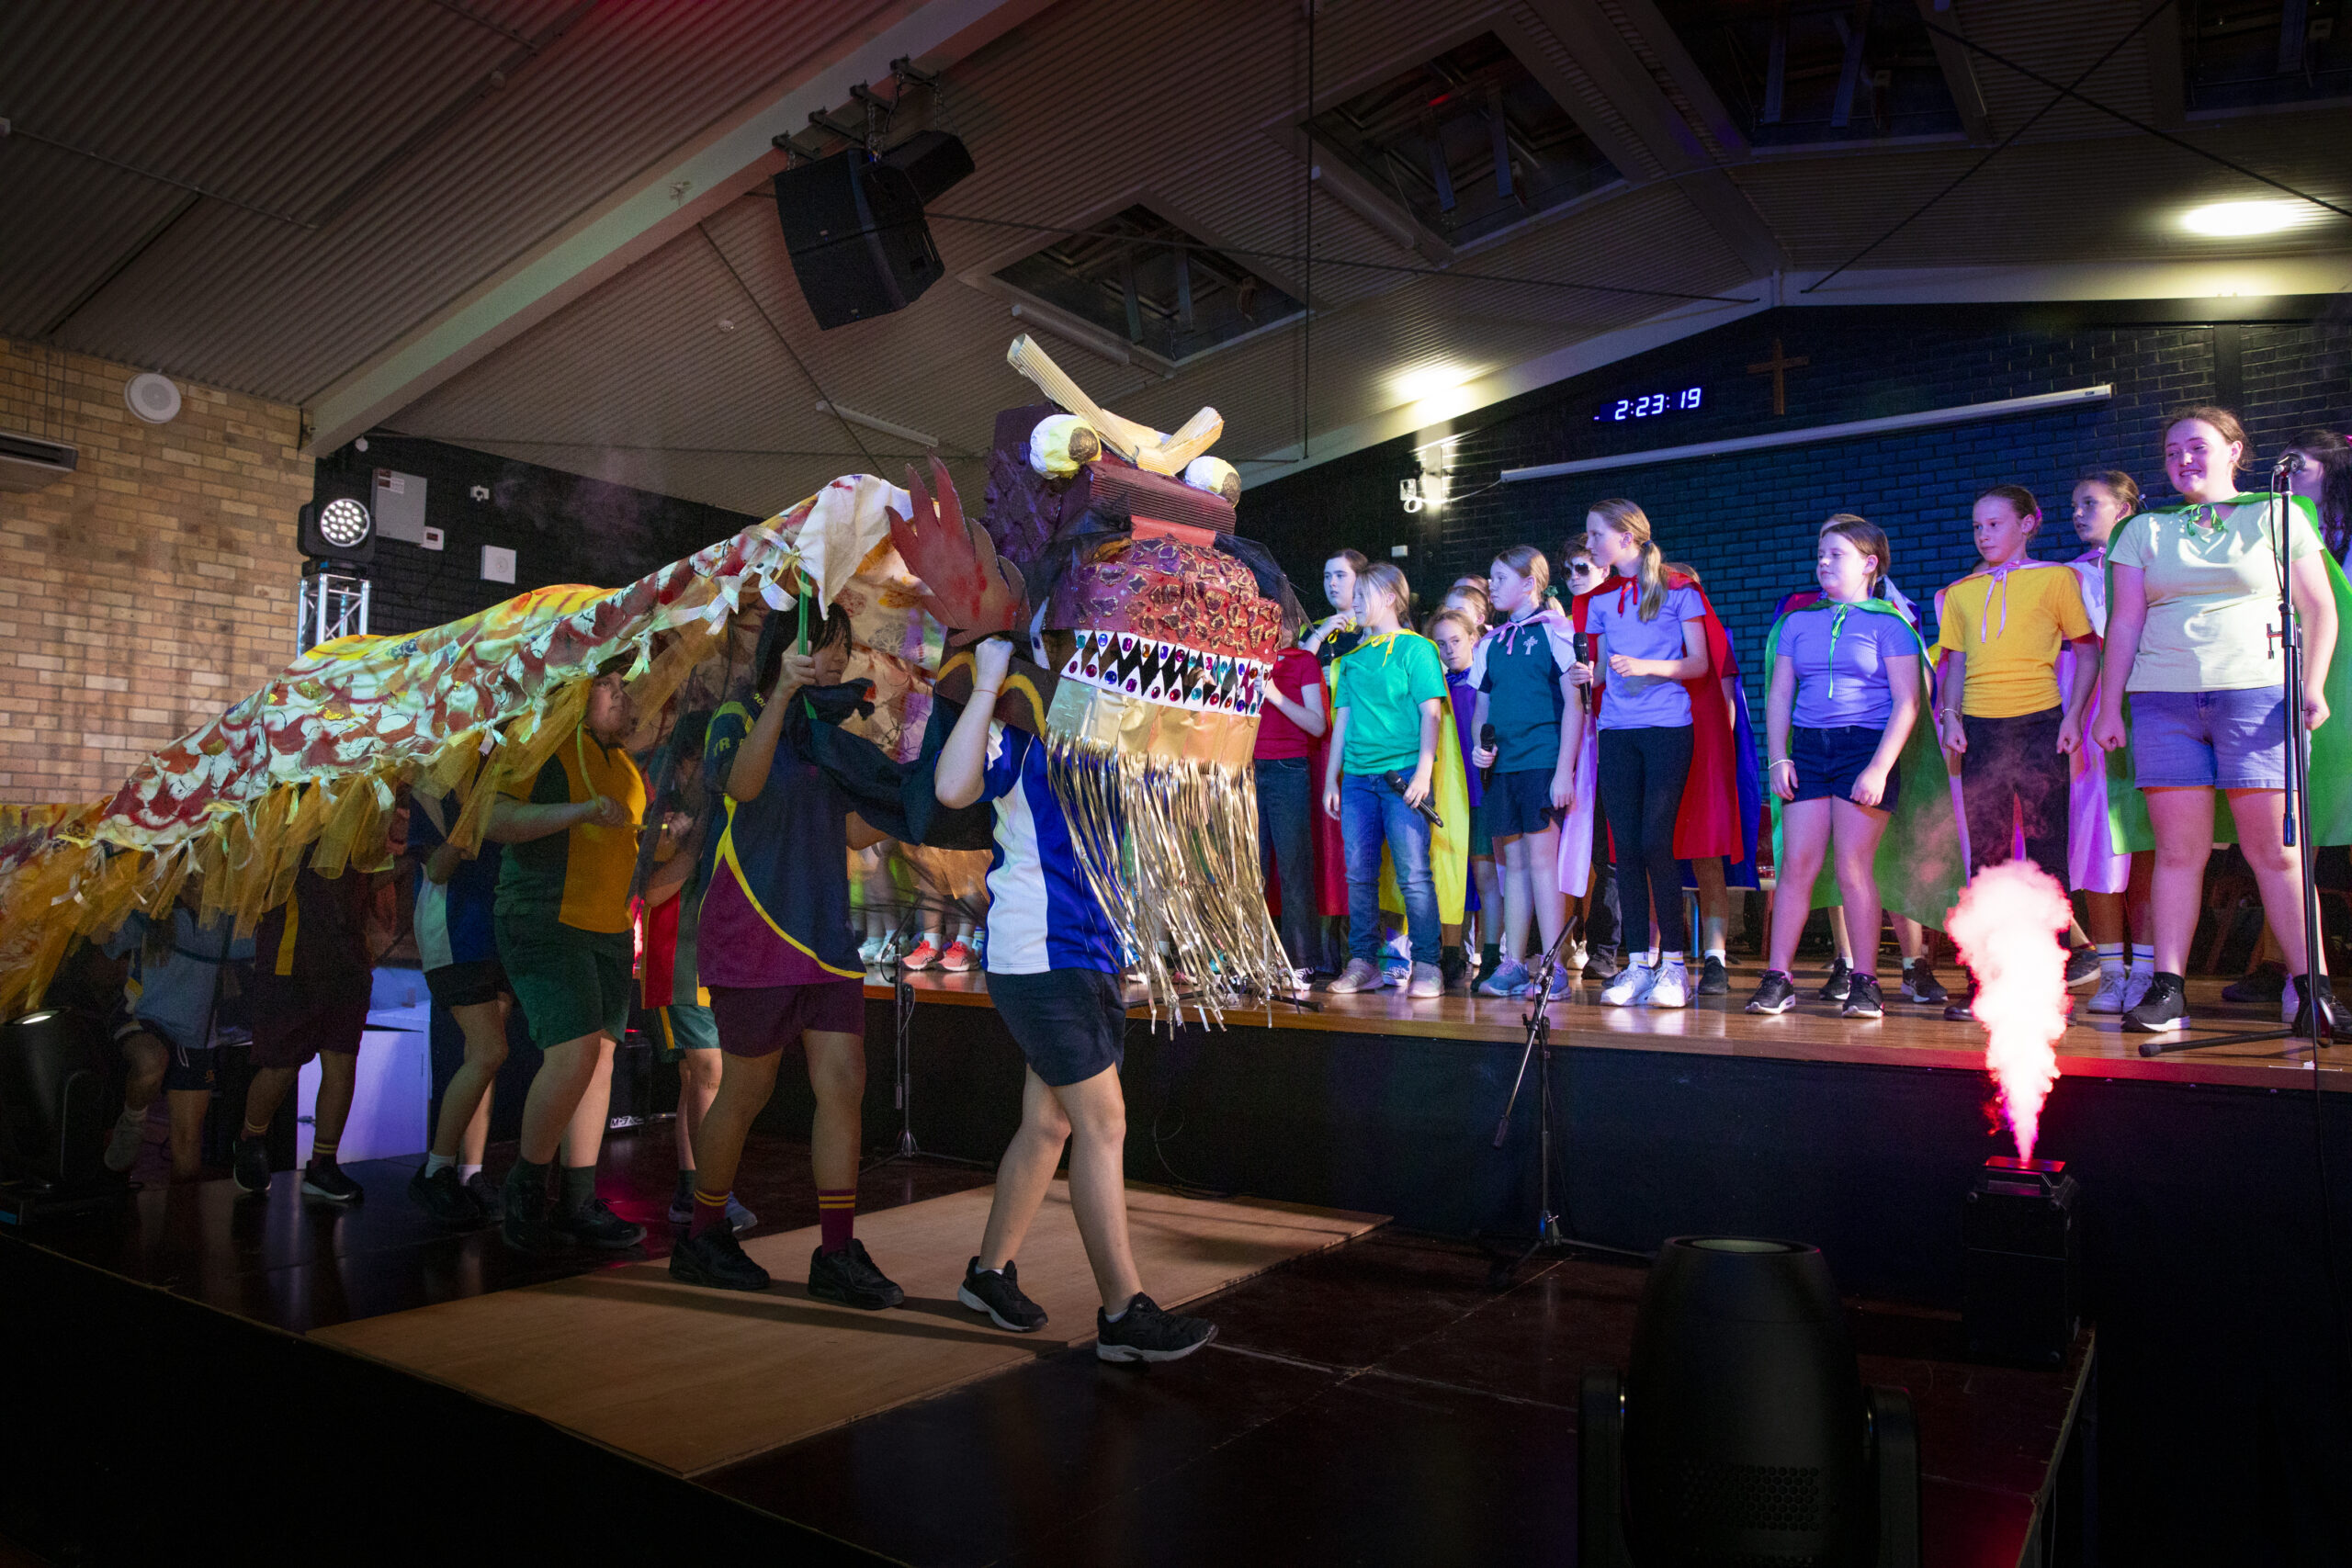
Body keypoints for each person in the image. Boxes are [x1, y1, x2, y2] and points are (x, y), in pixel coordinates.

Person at [934, 633, 1219, 1363]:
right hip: (1039, 951)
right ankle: (1123, 1312)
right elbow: (952, 787)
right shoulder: (1024, 725)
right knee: (1104, 1122)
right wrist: (989, 681)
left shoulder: (1112, 725)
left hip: (1089, 952)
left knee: (1049, 1124)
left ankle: (987, 1273)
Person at [668, 606, 901, 1304]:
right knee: (746, 1089)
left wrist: (915, 791)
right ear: (784, 649)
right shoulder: (736, 716)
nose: (836, 660)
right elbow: (741, 785)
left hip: (825, 934)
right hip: (756, 928)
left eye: (843, 648)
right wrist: (782, 697)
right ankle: (703, 1235)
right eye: (824, 645)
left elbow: (852, 830)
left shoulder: (831, 734)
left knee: (845, 1082)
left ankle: (836, 1250)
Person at [2093, 406, 2343, 1036]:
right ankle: (2168, 988)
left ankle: (2309, 988)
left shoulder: (2278, 514)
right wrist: (2107, 705)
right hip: (2164, 701)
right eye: (2172, 451)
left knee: (2276, 852)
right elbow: (2124, 622)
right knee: (2179, 853)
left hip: (2257, 696)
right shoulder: (2143, 530)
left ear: (2235, 450)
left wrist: (2312, 685)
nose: (2183, 459)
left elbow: (2319, 608)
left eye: (2198, 446)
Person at [490, 661, 651, 1253]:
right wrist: (579, 812)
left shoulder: (625, 765)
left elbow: (632, 842)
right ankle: (526, 1187)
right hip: (545, 916)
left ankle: (579, 1199)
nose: (620, 697)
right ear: (576, 693)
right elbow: (494, 818)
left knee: (601, 1061)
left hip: (609, 927)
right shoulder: (540, 745)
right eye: (607, 686)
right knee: (576, 1052)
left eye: (623, 687)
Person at [1747, 518, 1928, 1018]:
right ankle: (1778, 978)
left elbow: (1908, 702)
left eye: (1836, 554)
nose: (1823, 562)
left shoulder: (1890, 624)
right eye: (1820, 554)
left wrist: (1879, 768)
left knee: (1853, 867)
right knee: (1796, 866)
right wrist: (1779, 756)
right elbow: (1780, 694)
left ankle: (1866, 981)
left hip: (1863, 748)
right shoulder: (1796, 624)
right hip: (1808, 749)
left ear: (1869, 564)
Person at [1933, 484, 2098, 1021]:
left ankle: (2050, 987)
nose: (1983, 535)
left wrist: (2073, 717)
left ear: (2028, 524)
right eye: (1977, 527)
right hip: (1980, 732)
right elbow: (1954, 663)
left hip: (2040, 727)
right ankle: (1985, 984)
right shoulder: (1961, 592)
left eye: (1995, 524)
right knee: (1987, 859)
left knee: (2049, 855)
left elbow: (2088, 652)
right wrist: (1951, 717)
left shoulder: (2057, 579)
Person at [1579, 501, 1709, 1009]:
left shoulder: (1679, 590)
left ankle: (1673, 966)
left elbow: (1699, 663)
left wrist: (1647, 666)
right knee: (1625, 848)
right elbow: (1603, 671)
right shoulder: (1600, 600)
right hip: (1616, 730)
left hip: (1667, 727)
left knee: (1657, 841)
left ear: (1626, 538)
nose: (1590, 544)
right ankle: (1636, 965)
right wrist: (1586, 676)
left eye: (1596, 534)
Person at [636, 710, 757, 1237]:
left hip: (713, 960)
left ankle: (693, 1192)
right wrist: (695, 837)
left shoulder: (721, 809)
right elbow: (652, 889)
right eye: (705, 761)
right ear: (685, 763)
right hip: (677, 963)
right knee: (709, 1072)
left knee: (698, 1077)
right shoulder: (663, 812)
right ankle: (712, 1193)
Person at [1323, 562, 1449, 998]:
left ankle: (1428, 964)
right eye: (1354, 595)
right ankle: (1363, 962)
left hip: (1402, 778)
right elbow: (1342, 722)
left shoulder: (1417, 649)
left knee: (1414, 874)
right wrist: (1332, 778)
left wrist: (1424, 772)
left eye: (1364, 594)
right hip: (1358, 779)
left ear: (1391, 597)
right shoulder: (1352, 660)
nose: (1355, 602)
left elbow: (1431, 714)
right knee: (1359, 875)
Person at [231, 850, 379, 1204]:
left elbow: (371, 869)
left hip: (348, 958)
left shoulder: (362, 822)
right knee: (282, 1065)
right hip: (293, 956)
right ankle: (251, 1139)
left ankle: (322, 1165)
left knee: (342, 1061)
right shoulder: (293, 821)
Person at [2066, 471, 2158, 1016]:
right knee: (2098, 841)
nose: (2078, 514)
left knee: (2147, 839)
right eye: (2074, 506)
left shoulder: (2151, 564)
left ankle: (2147, 970)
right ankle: (2111, 971)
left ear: (2124, 509)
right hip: (2088, 720)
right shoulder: (2068, 576)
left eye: (2090, 503)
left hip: (2147, 706)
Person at [1468, 547, 1577, 1000]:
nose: (1491, 586)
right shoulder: (1490, 643)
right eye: (1490, 578)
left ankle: (1554, 966)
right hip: (1504, 768)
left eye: (1500, 578)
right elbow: (1482, 708)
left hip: (1541, 761)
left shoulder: (1555, 631)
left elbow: (1575, 704)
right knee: (1512, 865)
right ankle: (1513, 962)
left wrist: (1564, 770)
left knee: (1542, 864)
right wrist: (1480, 746)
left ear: (1529, 583)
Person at [405, 768, 512, 1224]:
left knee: (484, 1057)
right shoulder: (434, 786)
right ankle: (436, 1170)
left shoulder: (506, 777)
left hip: (498, 926)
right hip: (453, 929)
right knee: (489, 1051)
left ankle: (470, 1172)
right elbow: (437, 868)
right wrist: (473, 816)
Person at [102, 880, 249, 1180]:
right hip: (144, 1017)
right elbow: (104, 938)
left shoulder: (227, 917)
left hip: (196, 1034)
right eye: (191, 874)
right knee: (151, 1061)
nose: (199, 882)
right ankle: (132, 1122)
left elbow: (257, 949)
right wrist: (92, 892)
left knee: (188, 1142)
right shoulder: (151, 910)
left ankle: (182, 1207)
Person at [1254, 616, 1327, 989]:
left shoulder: (1303, 661)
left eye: (1280, 621)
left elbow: (1317, 724)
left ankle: (1301, 960)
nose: (1274, 628)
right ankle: (1251, 957)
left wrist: (1273, 694)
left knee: (1294, 866)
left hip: (1287, 768)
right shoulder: (1247, 658)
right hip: (1246, 768)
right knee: (1251, 869)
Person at [1429, 605, 1491, 992]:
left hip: (1481, 790)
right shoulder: (1436, 687)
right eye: (1441, 643)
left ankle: (1491, 952)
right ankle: (1450, 952)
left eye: (1456, 640)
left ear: (1473, 639)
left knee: (1484, 875)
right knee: (1449, 870)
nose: (1449, 649)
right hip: (1448, 791)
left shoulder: (1483, 684)